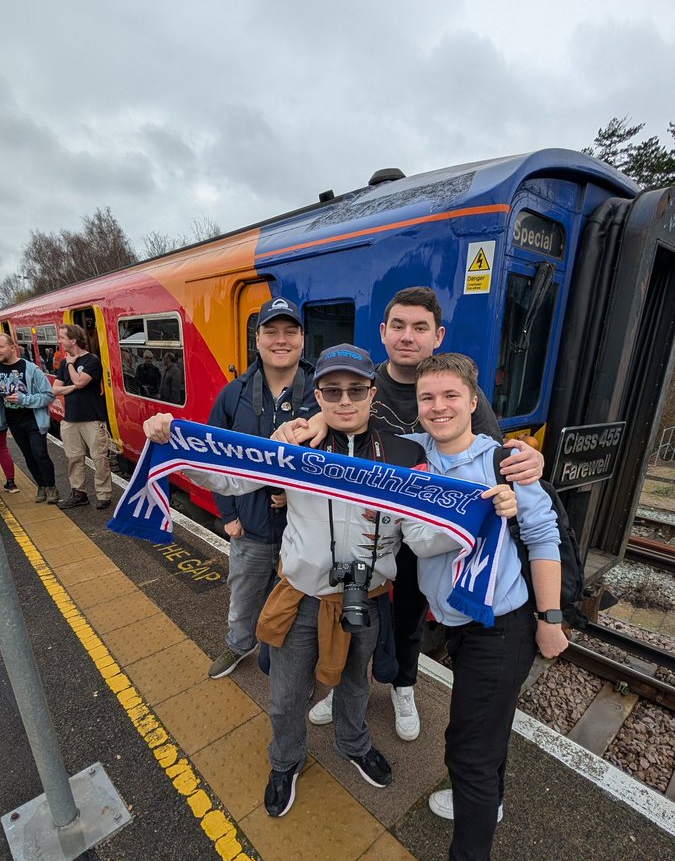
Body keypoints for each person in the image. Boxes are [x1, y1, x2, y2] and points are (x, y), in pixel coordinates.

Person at [143, 344, 518, 818]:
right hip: (302, 595)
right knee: (285, 696)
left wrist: (483, 513)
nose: (345, 400)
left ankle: (354, 743)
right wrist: (170, 443)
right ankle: (285, 762)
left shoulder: (403, 454)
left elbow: (421, 539)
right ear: (317, 395)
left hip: (370, 597)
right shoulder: (293, 446)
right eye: (333, 390)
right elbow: (229, 480)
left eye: (356, 389)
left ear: (372, 393)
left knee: (356, 687)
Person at [277, 286, 543, 740]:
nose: (408, 336)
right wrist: (318, 421)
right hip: (364, 532)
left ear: (437, 336)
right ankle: (340, 688)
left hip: (424, 537)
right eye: (398, 326)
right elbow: (335, 413)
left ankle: (404, 685)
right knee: (353, 615)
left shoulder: (455, 389)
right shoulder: (360, 378)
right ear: (383, 333)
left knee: (410, 618)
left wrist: (529, 462)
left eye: (420, 328)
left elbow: (497, 457)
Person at [410, 352, 567, 861]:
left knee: (470, 750)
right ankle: (489, 804)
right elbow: (343, 437)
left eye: (451, 396)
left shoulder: (505, 462)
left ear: (473, 401)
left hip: (503, 625)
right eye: (428, 398)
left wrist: (549, 619)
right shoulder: (412, 455)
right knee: (480, 735)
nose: (439, 408)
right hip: (457, 621)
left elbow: (544, 533)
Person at [206, 297, 318, 679]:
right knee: (243, 596)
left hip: (304, 533)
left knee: (298, 608)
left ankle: (290, 670)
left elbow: (341, 458)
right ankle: (238, 645)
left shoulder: (323, 393)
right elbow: (214, 460)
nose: (281, 340)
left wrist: (299, 493)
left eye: (290, 331)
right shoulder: (232, 394)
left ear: (303, 338)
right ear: (258, 339)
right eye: (272, 331)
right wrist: (229, 514)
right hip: (250, 529)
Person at [53, 324, 112, 510]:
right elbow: (55, 389)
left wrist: (71, 364)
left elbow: (79, 380)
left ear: (73, 340)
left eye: (62, 337)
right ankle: (79, 493)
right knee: (74, 458)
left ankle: (103, 495)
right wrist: (72, 387)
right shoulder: (63, 363)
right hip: (70, 419)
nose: (59, 341)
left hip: (92, 419)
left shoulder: (91, 361)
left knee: (99, 457)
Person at [0, 333, 58, 502]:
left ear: (13, 348)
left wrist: (24, 399)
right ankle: (41, 486)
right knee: (28, 455)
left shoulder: (31, 369)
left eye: (1, 347)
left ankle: (51, 487)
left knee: (39, 453)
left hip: (33, 420)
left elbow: (49, 395)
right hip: (12, 421)